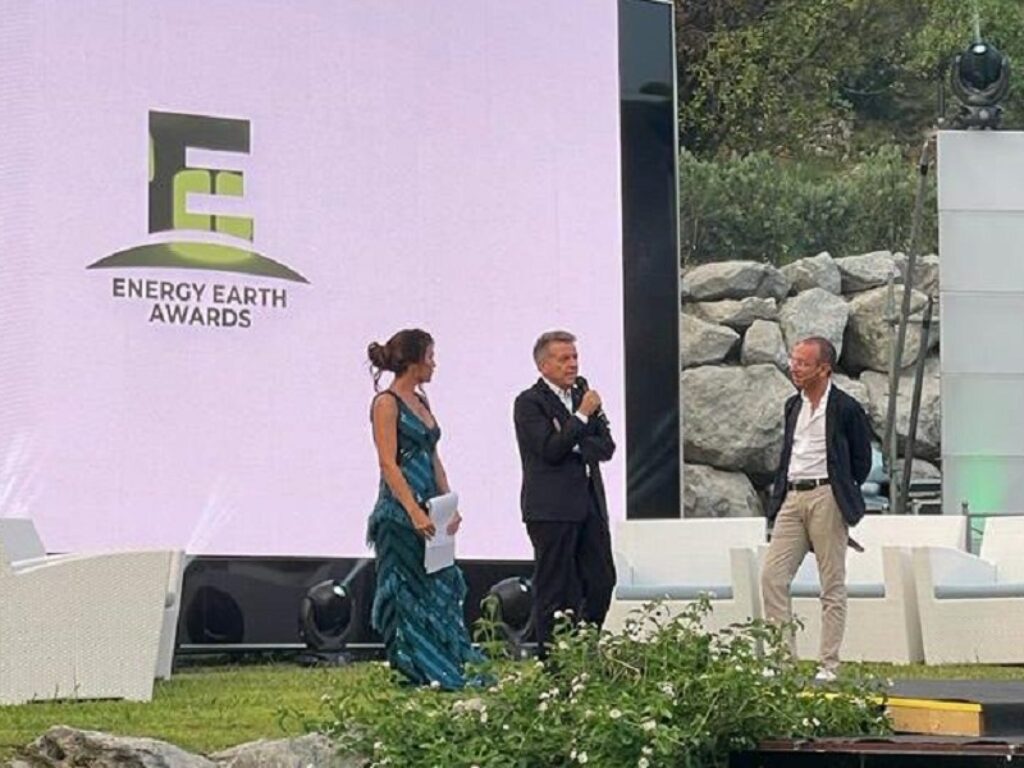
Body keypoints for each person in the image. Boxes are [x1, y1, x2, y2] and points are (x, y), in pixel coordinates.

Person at [366, 328, 482, 689]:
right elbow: (388, 463)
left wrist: (449, 502)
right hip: (400, 511)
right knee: (407, 589)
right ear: (415, 361)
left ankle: (448, 663)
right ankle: (415, 666)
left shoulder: (422, 401)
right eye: (430, 356)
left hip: (434, 506)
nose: (434, 364)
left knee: (441, 586)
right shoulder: (386, 403)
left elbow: (433, 457)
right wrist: (413, 511)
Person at [761, 336, 873, 682]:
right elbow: (787, 453)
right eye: (793, 360)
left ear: (824, 369)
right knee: (772, 576)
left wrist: (840, 488)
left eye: (803, 363)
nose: (794, 368)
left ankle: (829, 663)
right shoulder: (792, 405)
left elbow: (861, 460)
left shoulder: (846, 408)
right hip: (793, 494)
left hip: (826, 494)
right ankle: (781, 660)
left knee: (831, 581)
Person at [513, 330, 616, 655]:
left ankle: (584, 647)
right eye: (564, 359)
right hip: (551, 509)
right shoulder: (530, 403)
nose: (572, 364)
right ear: (544, 365)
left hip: (589, 504)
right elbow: (550, 449)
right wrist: (582, 417)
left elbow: (606, 446)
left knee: (601, 580)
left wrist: (574, 439)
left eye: (574, 357)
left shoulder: (583, 392)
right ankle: (553, 660)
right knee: (556, 587)